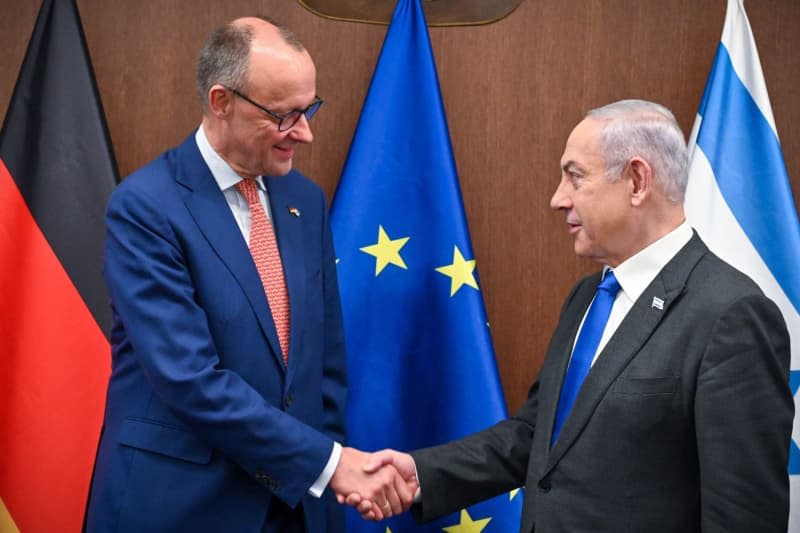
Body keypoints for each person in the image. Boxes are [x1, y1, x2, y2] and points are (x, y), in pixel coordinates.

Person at [352, 99, 794, 532]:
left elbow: (743, 515)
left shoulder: (731, 313)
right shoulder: (589, 296)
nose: (556, 199)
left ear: (637, 180)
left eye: (575, 178)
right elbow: (539, 436)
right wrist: (422, 473)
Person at [84, 16, 412, 533]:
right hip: (182, 509)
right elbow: (190, 380)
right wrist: (330, 465)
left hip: (294, 508)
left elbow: (324, 371)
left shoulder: (305, 201)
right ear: (221, 102)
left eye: (309, 109)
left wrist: (327, 494)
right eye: (285, 116)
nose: (305, 133)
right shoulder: (146, 209)